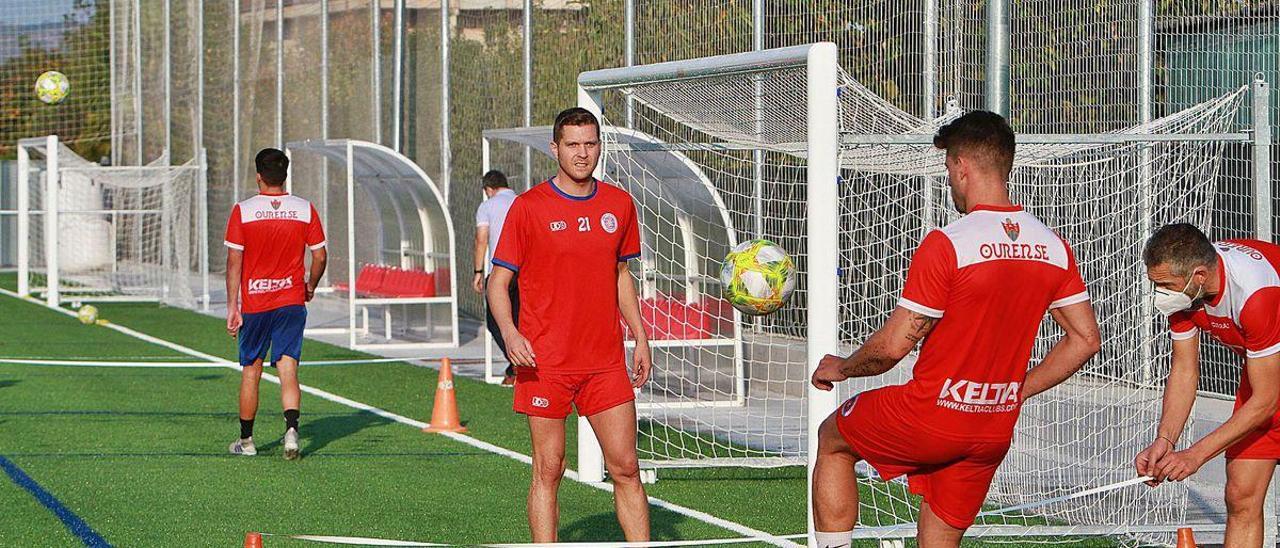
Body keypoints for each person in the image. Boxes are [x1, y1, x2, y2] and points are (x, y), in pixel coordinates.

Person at [809, 111, 1102, 547]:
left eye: (948, 169)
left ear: (962, 165)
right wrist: (1016, 389)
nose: (949, 182)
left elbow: (892, 347)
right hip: (992, 428)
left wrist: (843, 368)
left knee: (832, 438)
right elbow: (1086, 339)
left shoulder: (949, 243)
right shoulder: (1053, 245)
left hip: (930, 415)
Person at [487, 107, 653, 542]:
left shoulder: (619, 203)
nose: (583, 154)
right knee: (549, 468)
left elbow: (621, 275)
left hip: (604, 363)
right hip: (545, 364)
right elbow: (497, 283)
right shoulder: (528, 208)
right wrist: (510, 333)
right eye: (573, 144)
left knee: (627, 468)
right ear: (555, 148)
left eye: (591, 144)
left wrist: (639, 335)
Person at [1135, 224, 1280, 548]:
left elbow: (1267, 401)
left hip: (1268, 389)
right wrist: (1165, 440)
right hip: (1267, 380)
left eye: (1165, 285)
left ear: (1198, 275)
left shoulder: (1255, 294)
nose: (1160, 294)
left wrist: (1196, 455)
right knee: (1240, 494)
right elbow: (1185, 370)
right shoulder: (1185, 294)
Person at [224, 148, 328, 460]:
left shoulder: (243, 211)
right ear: (285, 176)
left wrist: (232, 306)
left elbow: (233, 262)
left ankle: (247, 441)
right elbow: (320, 255)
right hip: (291, 301)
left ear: (258, 176)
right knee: (288, 368)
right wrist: (310, 285)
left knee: (251, 371)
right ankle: (292, 432)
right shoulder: (304, 208)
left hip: (256, 302)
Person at [473, 169, 520, 385]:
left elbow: (481, 239)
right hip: (525, 271)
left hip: (501, 272)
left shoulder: (488, 206)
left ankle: (517, 363)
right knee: (520, 320)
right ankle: (516, 366)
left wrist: (478, 272)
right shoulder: (522, 201)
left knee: (495, 322)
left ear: (489, 189)